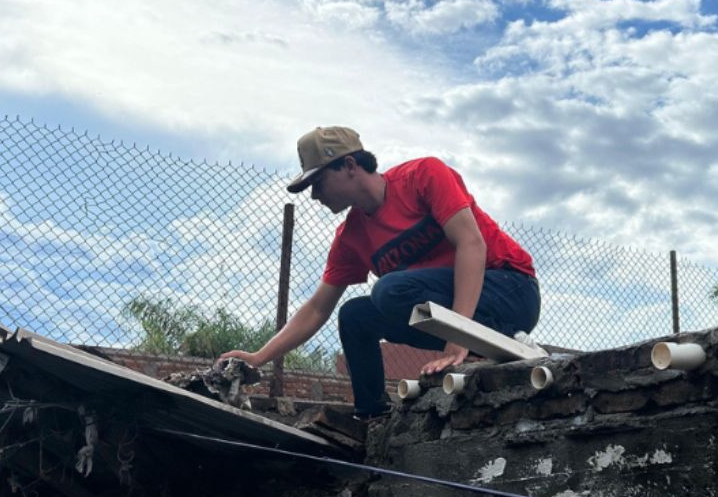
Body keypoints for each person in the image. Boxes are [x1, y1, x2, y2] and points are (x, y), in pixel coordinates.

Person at [220, 126, 540, 418]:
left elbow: (472, 244)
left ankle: (478, 339)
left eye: (318, 183)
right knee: (355, 315)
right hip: (458, 317)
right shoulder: (351, 237)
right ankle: (373, 415)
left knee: (389, 290)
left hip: (511, 289)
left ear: (348, 166)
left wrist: (457, 341)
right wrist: (258, 357)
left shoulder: (423, 175)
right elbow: (318, 308)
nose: (315, 196)